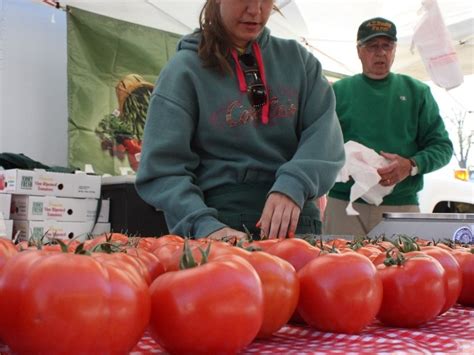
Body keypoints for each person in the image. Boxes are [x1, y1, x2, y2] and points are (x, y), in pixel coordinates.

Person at [135, 0, 345, 240]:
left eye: (265, 0)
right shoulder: (184, 70)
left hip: (298, 224)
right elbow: (163, 169)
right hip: (221, 226)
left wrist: (294, 185)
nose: (255, 10)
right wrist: (202, 224)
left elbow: (325, 138)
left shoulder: (299, 61)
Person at [324, 17, 453, 235]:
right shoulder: (337, 92)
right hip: (344, 206)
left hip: (402, 206)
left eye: (387, 46)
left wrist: (411, 164)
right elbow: (316, 142)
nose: (381, 52)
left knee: (404, 269)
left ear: (394, 50)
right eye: (373, 46)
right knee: (342, 267)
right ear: (359, 51)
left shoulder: (417, 92)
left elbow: (443, 147)